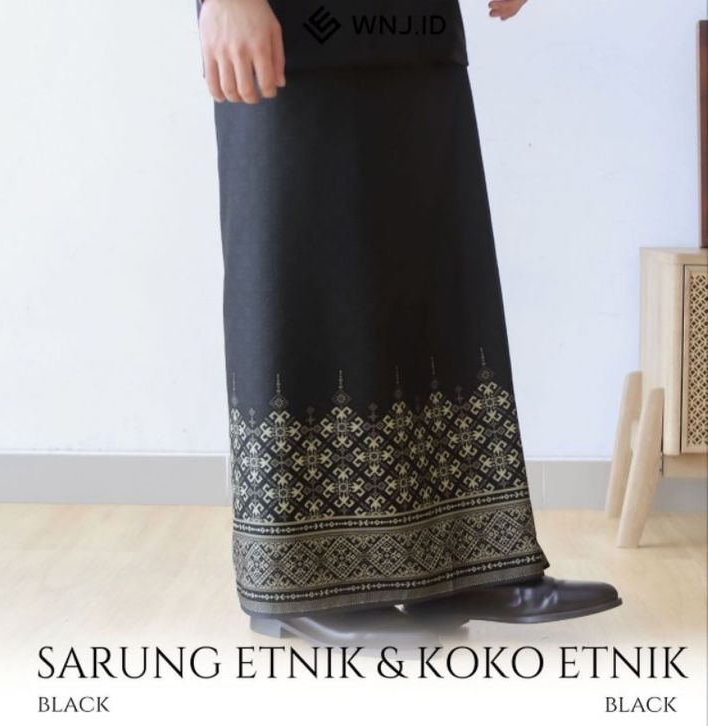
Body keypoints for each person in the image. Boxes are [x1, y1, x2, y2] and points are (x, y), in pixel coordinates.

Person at [195, 0, 622, 645]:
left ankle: (466, 568)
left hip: (414, 28)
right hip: (287, 31)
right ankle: (303, 578)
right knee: (302, 269)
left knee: (437, 275)